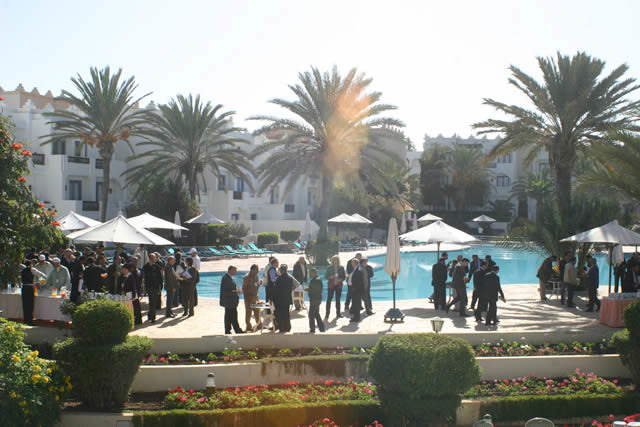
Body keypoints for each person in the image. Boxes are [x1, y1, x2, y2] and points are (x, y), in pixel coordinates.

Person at [220, 266, 244, 334]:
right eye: (235, 270)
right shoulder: (225, 278)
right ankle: (229, 330)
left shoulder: (229, 278)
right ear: (230, 270)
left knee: (232, 315)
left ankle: (235, 329)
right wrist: (236, 291)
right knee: (229, 316)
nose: (236, 272)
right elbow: (226, 290)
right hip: (229, 301)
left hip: (231, 301)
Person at [21, 260, 46, 325]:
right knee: (30, 305)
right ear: (31, 265)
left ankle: (25, 320)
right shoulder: (32, 269)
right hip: (30, 288)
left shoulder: (22, 270)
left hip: (24, 288)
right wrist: (39, 282)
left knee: (25, 305)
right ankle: (30, 321)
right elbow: (43, 276)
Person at [273, 264, 295, 332]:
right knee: (286, 313)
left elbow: (276, 290)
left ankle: (282, 327)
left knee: (281, 314)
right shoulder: (290, 278)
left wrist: (274, 299)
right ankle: (287, 327)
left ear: (281, 270)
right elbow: (292, 287)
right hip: (287, 298)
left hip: (280, 299)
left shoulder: (278, 279)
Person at [143, 253, 163, 323]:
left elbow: (160, 277)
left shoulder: (157, 266)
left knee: (153, 302)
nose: (154, 259)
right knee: (152, 301)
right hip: (149, 287)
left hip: (156, 286)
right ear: (150, 258)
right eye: (153, 258)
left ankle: (150, 315)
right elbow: (145, 277)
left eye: (154, 258)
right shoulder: (146, 267)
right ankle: (152, 317)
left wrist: (161, 286)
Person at [242, 264, 262, 331]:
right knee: (248, 313)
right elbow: (244, 289)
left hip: (255, 297)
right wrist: (248, 298)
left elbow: (256, 287)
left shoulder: (256, 276)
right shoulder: (246, 277)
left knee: (257, 312)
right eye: (256, 270)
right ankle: (248, 326)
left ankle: (259, 325)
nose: (258, 271)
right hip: (248, 298)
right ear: (252, 270)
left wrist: (259, 285)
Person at [306, 268, 325, 333]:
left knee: (311, 315)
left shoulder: (315, 281)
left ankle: (312, 329)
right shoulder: (317, 280)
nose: (309, 275)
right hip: (317, 299)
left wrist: (308, 290)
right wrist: (308, 289)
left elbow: (314, 290)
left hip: (315, 300)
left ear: (313, 273)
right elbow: (314, 289)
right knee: (316, 314)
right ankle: (322, 328)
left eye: (310, 273)